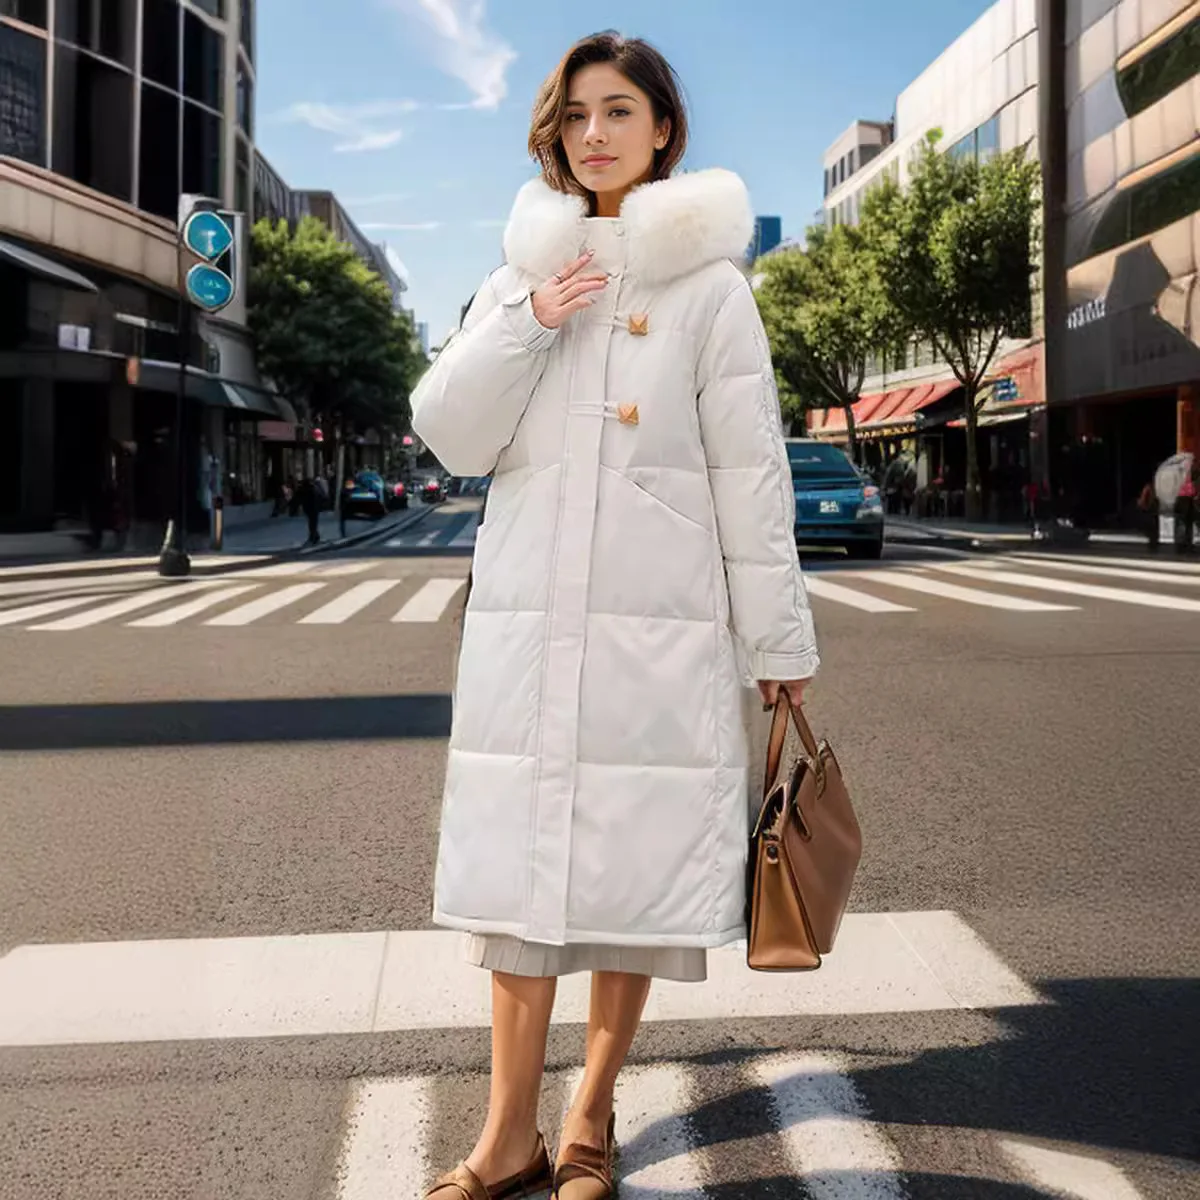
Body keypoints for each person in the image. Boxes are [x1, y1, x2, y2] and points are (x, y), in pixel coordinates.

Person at [410, 31, 819, 1200]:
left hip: (662, 633)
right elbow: (450, 432)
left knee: (633, 889)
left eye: (621, 111)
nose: (596, 133)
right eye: (579, 113)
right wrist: (529, 317)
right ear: (556, 130)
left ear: (664, 132)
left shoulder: (710, 289)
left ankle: (587, 1122)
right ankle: (505, 1137)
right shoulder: (517, 272)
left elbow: (753, 476)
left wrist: (778, 646)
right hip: (532, 631)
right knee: (517, 899)